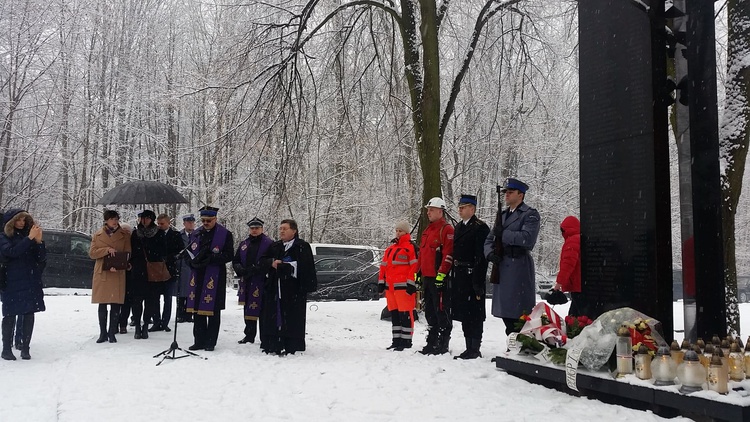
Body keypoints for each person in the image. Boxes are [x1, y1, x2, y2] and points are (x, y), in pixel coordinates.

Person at [484, 178, 541, 340]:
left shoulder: (530, 215)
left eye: (510, 192)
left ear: (520, 195)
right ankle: (513, 345)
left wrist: (504, 235)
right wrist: (490, 254)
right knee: (506, 314)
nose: (506, 195)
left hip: (519, 267)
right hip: (502, 265)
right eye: (506, 193)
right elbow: (489, 239)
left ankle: (520, 347)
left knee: (519, 314)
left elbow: (527, 239)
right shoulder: (502, 216)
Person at [259, 219, 317, 355]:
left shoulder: (301, 246)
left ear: (294, 231)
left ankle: (292, 344)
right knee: (274, 316)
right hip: (275, 287)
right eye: (280, 229)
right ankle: (273, 343)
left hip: (293, 290)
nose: (282, 231)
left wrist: (290, 268)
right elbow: (262, 260)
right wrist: (272, 262)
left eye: (285, 228)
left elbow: (307, 268)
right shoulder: (275, 246)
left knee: (292, 317)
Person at [185, 206, 234, 351]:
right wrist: (191, 262)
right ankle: (199, 340)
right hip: (198, 275)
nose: (205, 223)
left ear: (215, 219)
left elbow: (229, 254)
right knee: (197, 310)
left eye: (209, 220)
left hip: (215, 276)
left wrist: (211, 259)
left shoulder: (224, 234)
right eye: (203, 220)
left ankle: (210, 342)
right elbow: (188, 252)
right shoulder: (196, 233)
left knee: (213, 311)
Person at [0, 209, 46, 360]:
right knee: (10, 314)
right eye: (18, 220)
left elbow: (41, 258)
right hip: (11, 281)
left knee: (29, 313)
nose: (21, 223)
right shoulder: (4, 237)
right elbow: (12, 252)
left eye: (24, 220)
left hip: (30, 279)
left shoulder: (29, 236)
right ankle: (6, 348)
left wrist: (39, 242)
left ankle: (25, 347)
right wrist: (29, 239)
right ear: (11, 222)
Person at [450, 194, 490, 359]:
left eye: (464, 207)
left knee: (475, 312)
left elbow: (481, 257)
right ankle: (468, 346)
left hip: (473, 273)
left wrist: (478, 280)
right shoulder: (459, 227)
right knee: (465, 312)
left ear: (472, 209)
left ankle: (475, 347)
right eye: (459, 207)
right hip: (460, 275)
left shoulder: (480, 228)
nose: (460, 209)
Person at [418, 197, 455, 355]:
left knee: (441, 310)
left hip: (438, 279)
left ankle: (443, 342)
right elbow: (422, 255)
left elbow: (448, 254)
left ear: (440, 211)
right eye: (428, 210)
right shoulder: (427, 230)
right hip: (427, 278)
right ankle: (432, 341)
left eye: (431, 210)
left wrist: (441, 274)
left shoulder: (446, 230)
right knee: (430, 312)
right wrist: (418, 273)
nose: (428, 212)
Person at [89, 209, 132, 343]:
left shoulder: (124, 235)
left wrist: (121, 263)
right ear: (106, 220)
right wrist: (106, 250)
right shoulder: (98, 235)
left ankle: (112, 331)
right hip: (103, 272)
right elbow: (92, 253)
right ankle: (103, 333)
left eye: (116, 219)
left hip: (117, 273)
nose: (115, 222)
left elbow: (128, 253)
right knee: (102, 303)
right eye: (112, 219)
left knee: (116, 304)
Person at [378, 221, 418, 351]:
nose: (397, 232)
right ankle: (396, 340)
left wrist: (411, 283)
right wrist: (381, 282)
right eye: (396, 230)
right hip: (390, 289)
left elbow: (414, 267)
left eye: (400, 231)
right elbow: (383, 267)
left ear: (406, 232)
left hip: (404, 288)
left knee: (405, 315)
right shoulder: (390, 249)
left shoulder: (410, 248)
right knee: (395, 315)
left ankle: (406, 341)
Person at [232, 217, 273, 344]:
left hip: (261, 280)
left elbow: (271, 260)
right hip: (247, 280)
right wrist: (239, 268)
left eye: (257, 228)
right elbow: (236, 259)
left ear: (262, 229)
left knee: (262, 310)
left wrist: (257, 269)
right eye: (252, 228)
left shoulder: (269, 243)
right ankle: (249, 335)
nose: (254, 230)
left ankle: (264, 337)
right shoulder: (244, 244)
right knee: (247, 309)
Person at [129, 209, 167, 340]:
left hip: (153, 271)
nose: (144, 221)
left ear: (151, 219)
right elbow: (132, 252)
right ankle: (138, 327)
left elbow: (162, 251)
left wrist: (149, 246)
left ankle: (145, 325)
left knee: (151, 300)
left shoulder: (159, 233)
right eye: (142, 218)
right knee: (136, 300)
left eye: (147, 218)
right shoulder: (135, 233)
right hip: (138, 271)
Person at [149, 214, 184, 332]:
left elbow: (181, 250)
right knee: (155, 298)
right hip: (156, 269)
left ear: (169, 223)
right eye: (158, 224)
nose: (160, 226)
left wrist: (170, 257)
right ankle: (156, 321)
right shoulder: (153, 235)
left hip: (170, 269)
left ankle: (165, 322)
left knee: (167, 298)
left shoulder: (175, 235)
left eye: (162, 224)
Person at [553, 216, 582, 316]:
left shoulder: (572, 241)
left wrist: (559, 282)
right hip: (583, 285)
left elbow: (568, 264)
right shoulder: (581, 239)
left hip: (576, 284)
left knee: (574, 316)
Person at [176, 214, 196, 323]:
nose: (190, 224)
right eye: (188, 222)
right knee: (181, 292)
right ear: (184, 223)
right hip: (182, 266)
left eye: (192, 222)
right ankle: (180, 313)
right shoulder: (179, 235)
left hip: (193, 267)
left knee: (191, 292)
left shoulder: (197, 235)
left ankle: (189, 313)